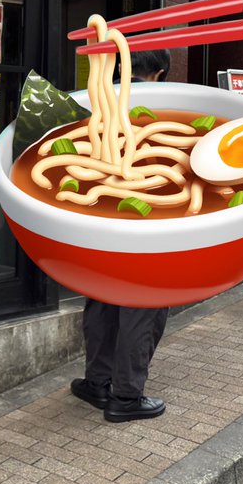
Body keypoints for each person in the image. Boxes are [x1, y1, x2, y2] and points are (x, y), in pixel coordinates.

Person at [70, 47, 171, 422]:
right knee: (143, 304)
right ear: (159, 72)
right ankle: (126, 396)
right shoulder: (160, 108)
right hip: (145, 225)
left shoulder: (93, 103)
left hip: (98, 223)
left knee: (102, 299)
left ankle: (96, 384)